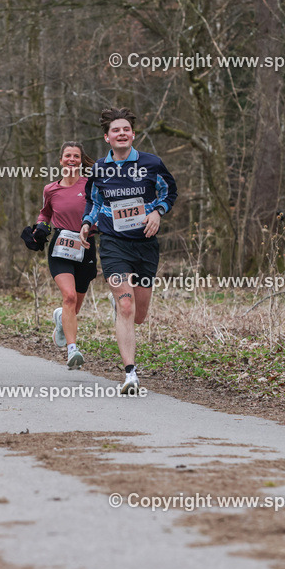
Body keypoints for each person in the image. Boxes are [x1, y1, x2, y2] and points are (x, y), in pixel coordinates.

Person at [80, 107, 177, 395]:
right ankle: (130, 374)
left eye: (126, 129)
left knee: (139, 314)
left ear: (132, 134)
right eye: (115, 130)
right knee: (126, 306)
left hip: (145, 244)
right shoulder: (99, 169)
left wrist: (158, 212)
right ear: (107, 138)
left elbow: (169, 192)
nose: (121, 133)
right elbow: (93, 202)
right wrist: (87, 223)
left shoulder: (152, 164)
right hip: (113, 243)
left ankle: (125, 307)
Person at [37, 142, 97, 369]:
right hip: (61, 247)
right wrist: (39, 227)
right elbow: (45, 213)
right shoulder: (50, 189)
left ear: (81, 161)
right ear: (61, 160)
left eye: (76, 156)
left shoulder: (91, 186)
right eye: (68, 156)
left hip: (87, 246)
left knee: (75, 306)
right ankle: (73, 350)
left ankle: (61, 318)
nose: (72, 159)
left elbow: (99, 209)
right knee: (69, 297)